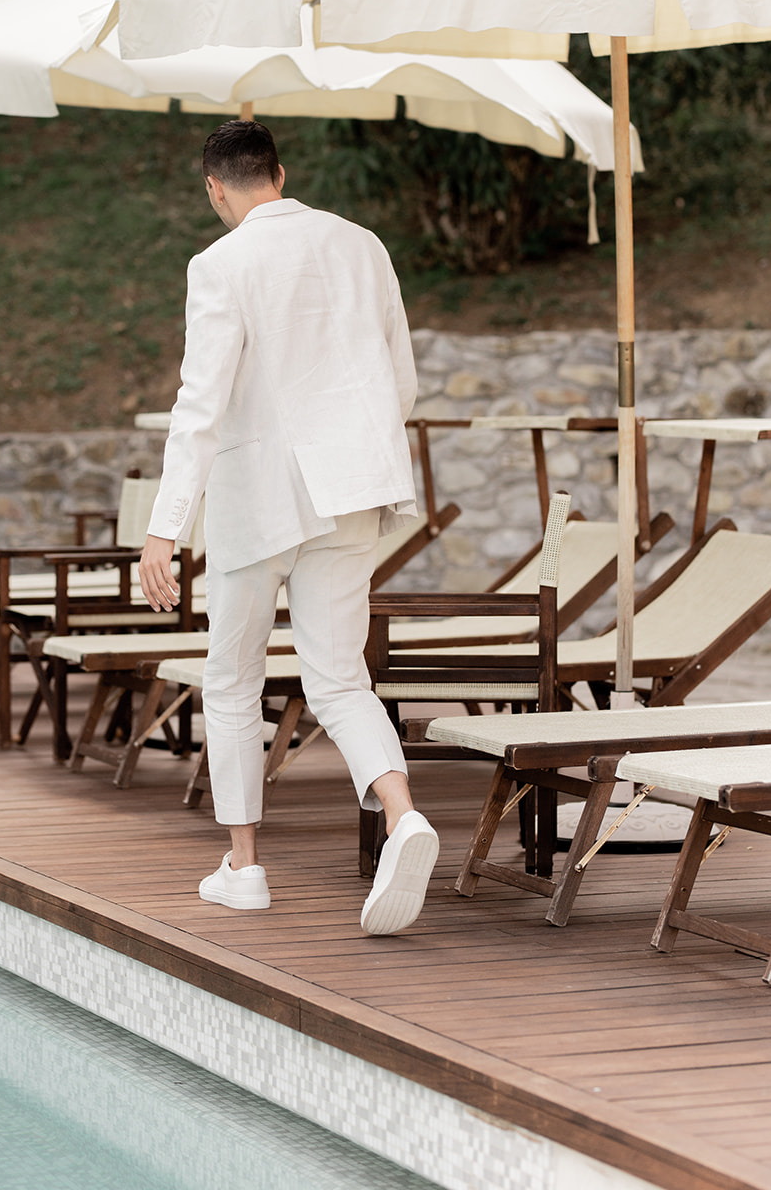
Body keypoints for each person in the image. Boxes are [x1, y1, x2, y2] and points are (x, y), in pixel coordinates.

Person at [138, 119, 438, 935]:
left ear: (215, 188)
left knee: (232, 681)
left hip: (258, 498)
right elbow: (399, 378)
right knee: (338, 677)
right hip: (352, 491)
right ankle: (403, 813)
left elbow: (199, 403)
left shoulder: (219, 264)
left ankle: (244, 868)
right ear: (280, 171)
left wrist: (165, 529)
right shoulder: (362, 245)